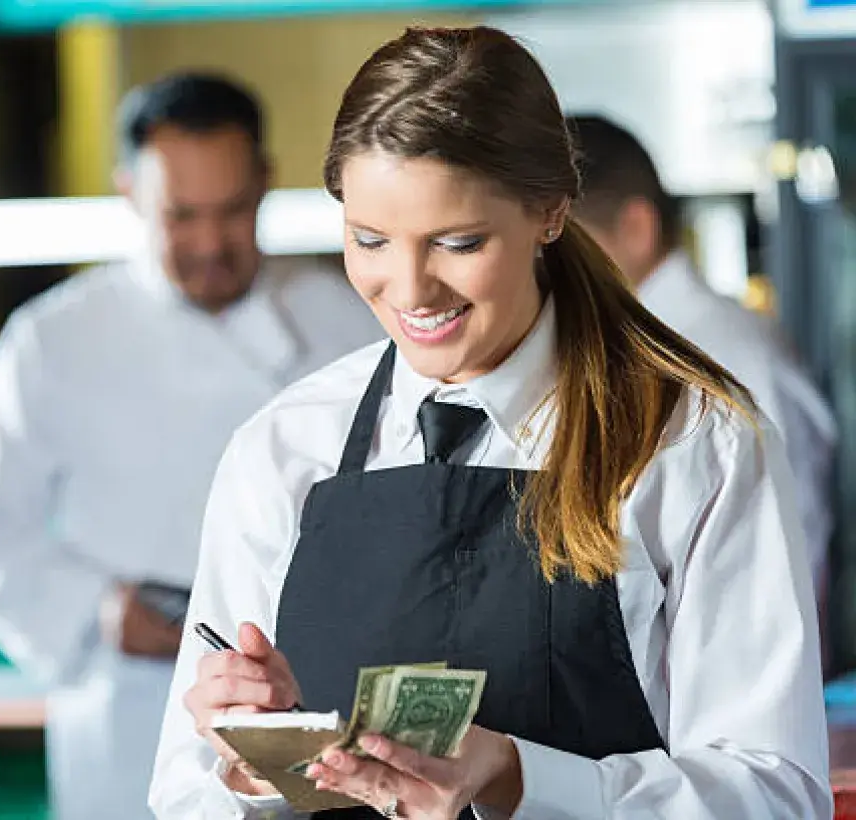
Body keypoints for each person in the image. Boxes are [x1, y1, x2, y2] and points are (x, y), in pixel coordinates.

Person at [150, 27, 829, 820]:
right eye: (369, 239)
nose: (410, 289)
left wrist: (516, 777)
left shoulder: (690, 443)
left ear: (550, 212)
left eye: (458, 242)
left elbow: (776, 796)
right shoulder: (282, 448)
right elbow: (185, 794)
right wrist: (254, 768)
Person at [0, 72, 382, 820]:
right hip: (126, 711)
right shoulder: (54, 340)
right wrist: (100, 611)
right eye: (181, 216)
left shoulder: (349, 321)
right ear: (130, 192)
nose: (209, 243)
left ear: (266, 182)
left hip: (315, 699)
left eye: (232, 213)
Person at [566, 114, 838, 601]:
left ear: (636, 228)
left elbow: (781, 561)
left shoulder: (713, 353)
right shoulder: (642, 345)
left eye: (565, 248)